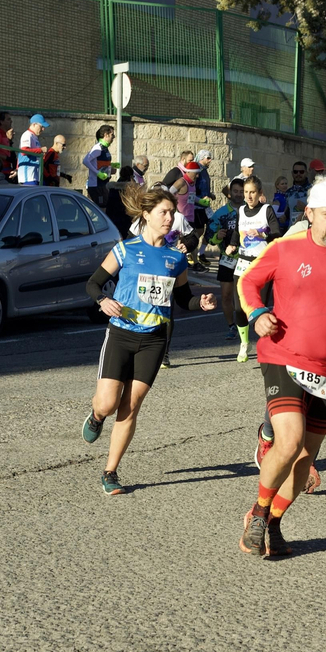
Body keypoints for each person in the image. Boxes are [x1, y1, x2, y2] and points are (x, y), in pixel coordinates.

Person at [236, 181, 326, 556]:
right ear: (310, 214)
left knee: (305, 461)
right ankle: (257, 513)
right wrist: (257, 314)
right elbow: (249, 281)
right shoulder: (285, 249)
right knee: (289, 441)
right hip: (282, 356)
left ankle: (273, 524)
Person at [81, 184, 217, 495]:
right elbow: (94, 283)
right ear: (147, 215)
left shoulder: (175, 258)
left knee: (131, 405)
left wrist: (201, 303)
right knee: (108, 403)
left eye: (173, 212)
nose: (170, 218)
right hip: (120, 334)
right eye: (164, 212)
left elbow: (183, 299)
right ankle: (96, 415)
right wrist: (103, 301)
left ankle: (110, 471)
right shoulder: (125, 250)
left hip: (155, 339)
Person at [229, 175, 283, 362]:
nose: (249, 196)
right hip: (243, 263)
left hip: (263, 264)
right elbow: (237, 231)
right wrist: (233, 244)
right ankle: (244, 343)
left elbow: (277, 235)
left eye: (252, 192)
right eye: (246, 192)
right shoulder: (241, 210)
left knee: (260, 306)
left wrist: (261, 233)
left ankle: (266, 343)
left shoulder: (266, 210)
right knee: (239, 307)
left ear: (260, 193)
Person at [208, 178, 248, 339]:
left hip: (246, 258)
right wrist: (217, 236)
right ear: (229, 193)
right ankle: (232, 326)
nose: (239, 195)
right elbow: (209, 237)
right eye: (236, 191)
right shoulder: (221, 213)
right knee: (226, 295)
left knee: (243, 294)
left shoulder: (251, 211)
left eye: (241, 192)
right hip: (227, 258)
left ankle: (244, 324)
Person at [82, 124, 115, 206]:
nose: (114, 137)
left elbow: (100, 163)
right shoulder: (98, 147)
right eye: (112, 135)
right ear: (106, 135)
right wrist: (98, 173)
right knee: (101, 210)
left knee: (105, 208)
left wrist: (112, 166)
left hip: (103, 184)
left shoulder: (105, 148)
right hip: (96, 185)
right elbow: (86, 161)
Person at [16, 114, 50, 186]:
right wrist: (40, 150)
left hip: (34, 175)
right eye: (41, 126)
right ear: (34, 124)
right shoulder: (27, 135)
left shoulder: (34, 137)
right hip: (28, 176)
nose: (43, 129)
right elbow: (24, 151)